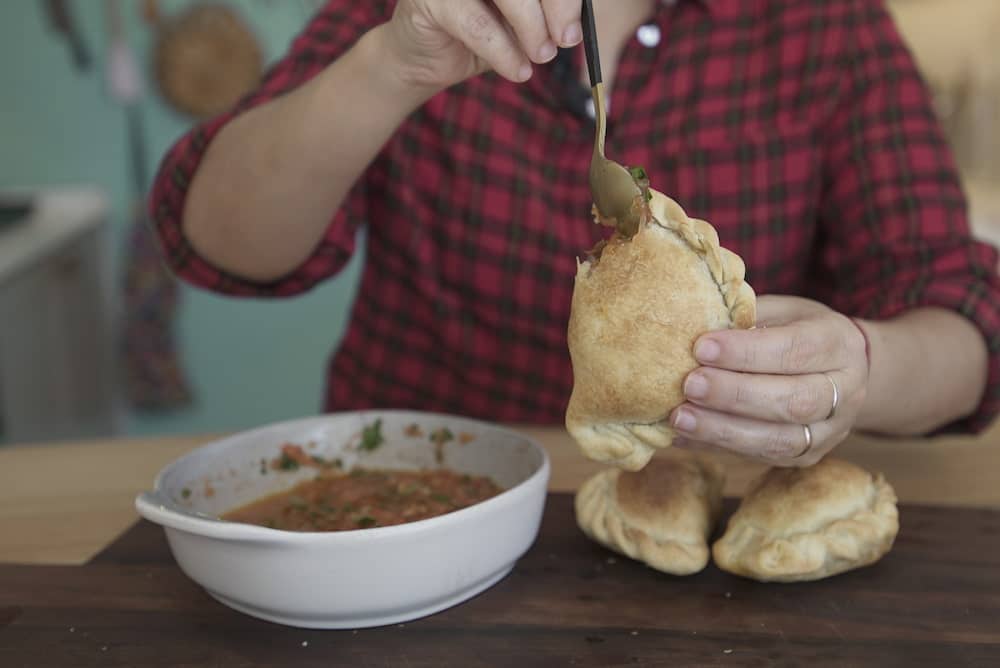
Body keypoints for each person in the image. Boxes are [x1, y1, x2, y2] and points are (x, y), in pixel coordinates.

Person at [150, 0, 1000, 467]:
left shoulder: (825, 24)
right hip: (416, 494)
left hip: (710, 519)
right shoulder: (412, 8)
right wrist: (390, 65)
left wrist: (856, 372)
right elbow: (216, 242)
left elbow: (966, 323)